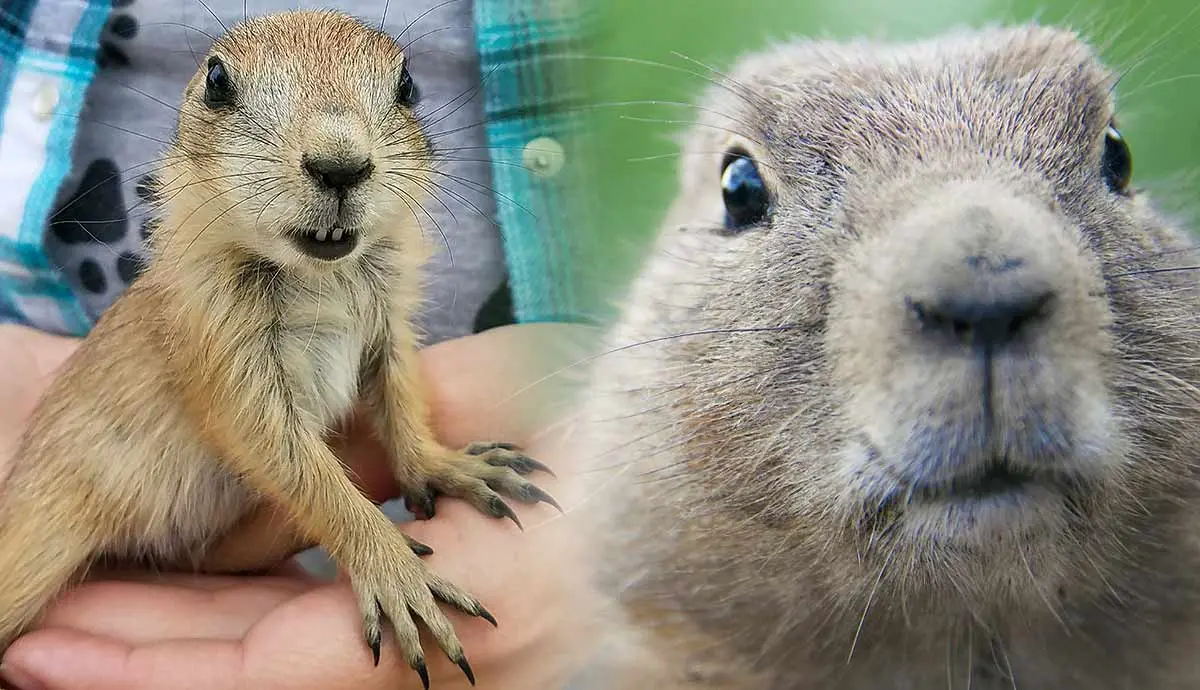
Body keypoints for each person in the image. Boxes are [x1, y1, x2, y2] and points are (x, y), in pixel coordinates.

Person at [0, 1, 600, 688]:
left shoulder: (387, 240)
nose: (341, 154)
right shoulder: (202, 272)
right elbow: (257, 425)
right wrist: (372, 550)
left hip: (339, 557)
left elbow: (385, 352)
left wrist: (420, 456)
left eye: (398, 94)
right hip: (92, 479)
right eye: (227, 91)